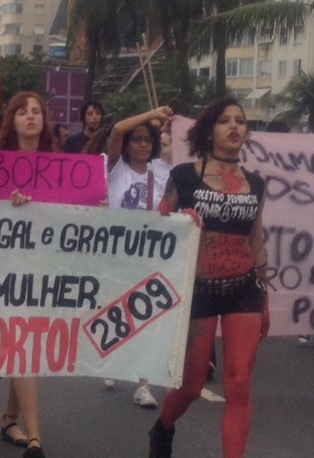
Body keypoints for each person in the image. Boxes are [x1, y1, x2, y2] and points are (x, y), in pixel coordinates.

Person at [149, 97, 269, 458]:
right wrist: (179, 218)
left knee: (239, 384)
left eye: (240, 121)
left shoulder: (256, 183)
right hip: (197, 290)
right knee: (191, 384)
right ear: (209, 130)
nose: (234, 127)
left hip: (244, 288)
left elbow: (256, 239)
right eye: (224, 121)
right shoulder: (184, 176)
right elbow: (156, 227)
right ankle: (164, 427)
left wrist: (263, 298)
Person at [0, 91, 53, 458]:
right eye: (23, 112)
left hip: (45, 267)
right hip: (4, 266)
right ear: (10, 120)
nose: (31, 117)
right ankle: (35, 437)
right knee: (22, 343)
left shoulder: (63, 166)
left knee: (25, 343)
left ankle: (9, 418)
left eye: (37, 112)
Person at [106, 105, 174, 406]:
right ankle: (114, 361)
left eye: (148, 139)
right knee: (119, 314)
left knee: (146, 317)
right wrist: (151, 114)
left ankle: (143, 384)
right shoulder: (114, 167)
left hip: (150, 255)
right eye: (137, 139)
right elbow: (118, 129)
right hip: (117, 255)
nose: (143, 144)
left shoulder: (163, 172)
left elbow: (172, 209)